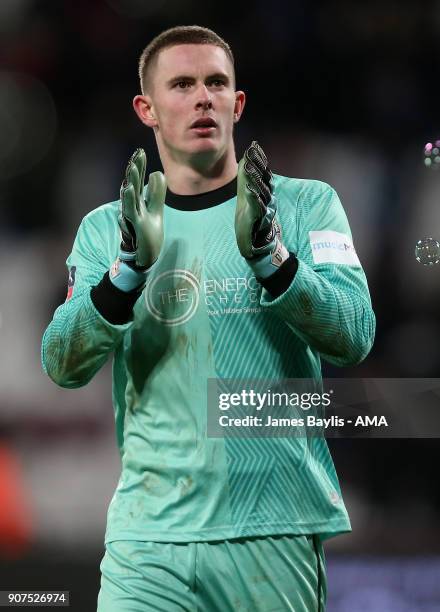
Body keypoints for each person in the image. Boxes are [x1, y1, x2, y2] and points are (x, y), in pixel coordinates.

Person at [41, 25, 375, 612]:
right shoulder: (106, 228)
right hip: (148, 541)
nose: (203, 97)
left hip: (273, 529)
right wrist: (123, 275)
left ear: (237, 103)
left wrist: (274, 259)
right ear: (147, 108)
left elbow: (354, 336)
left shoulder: (306, 205)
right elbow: (61, 363)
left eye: (216, 82)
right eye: (182, 84)